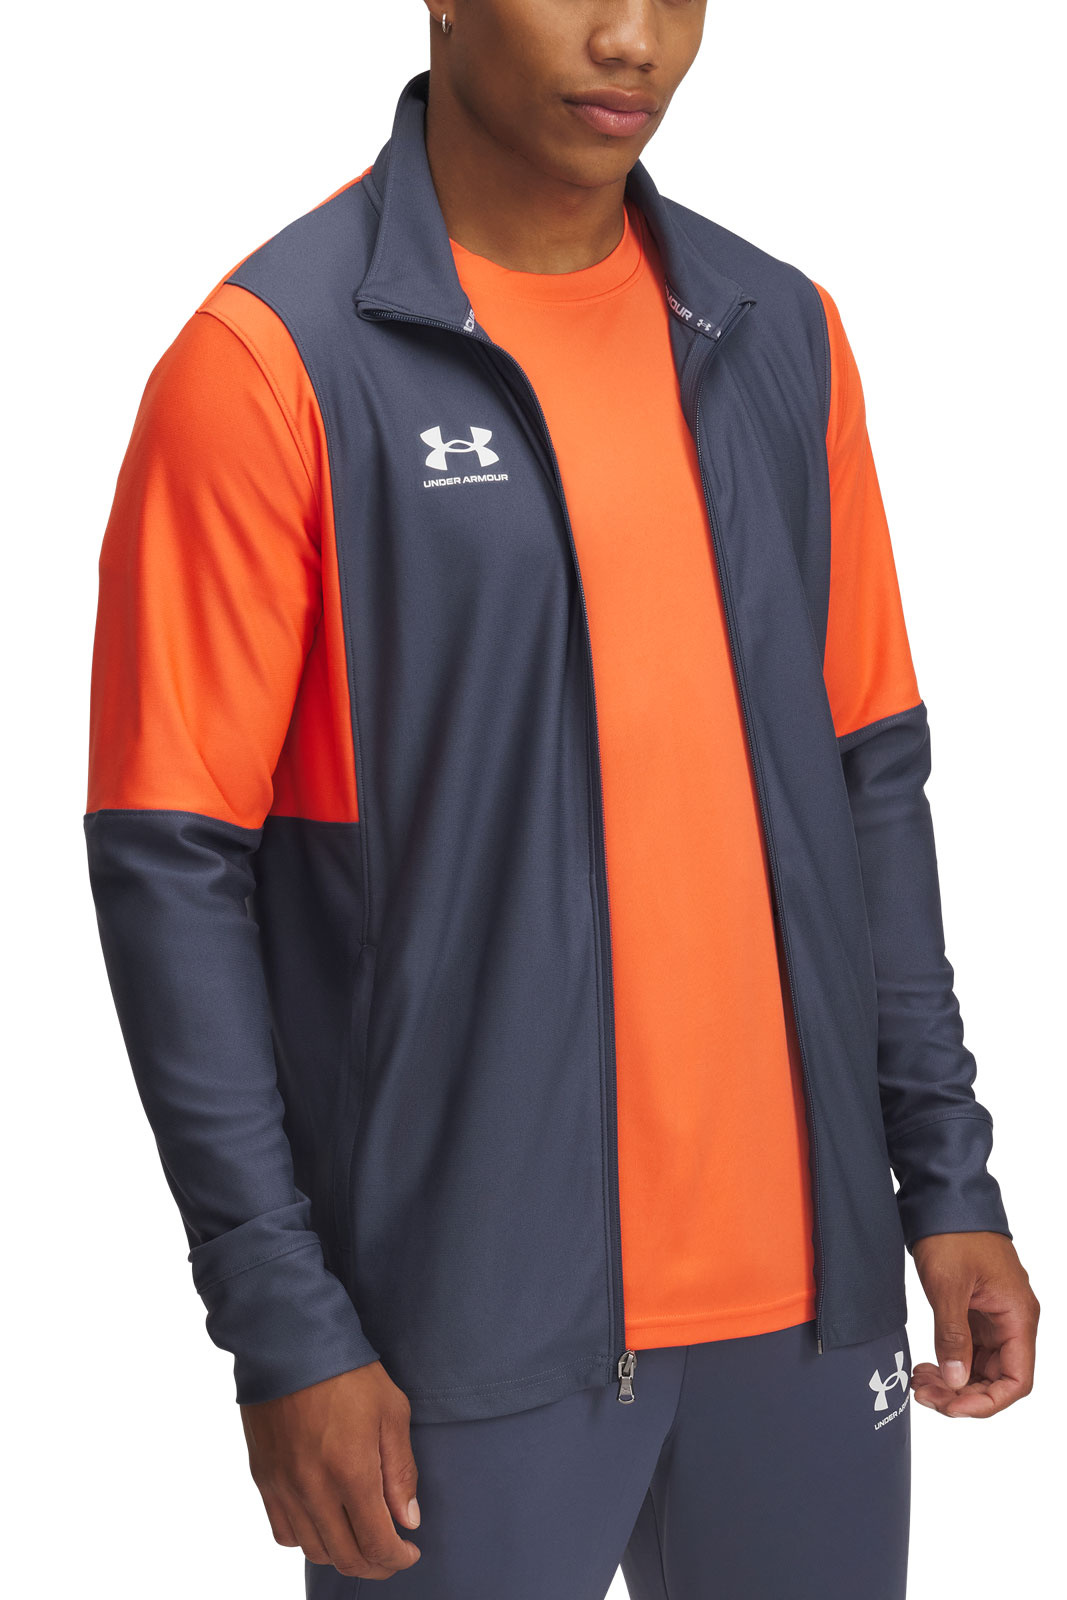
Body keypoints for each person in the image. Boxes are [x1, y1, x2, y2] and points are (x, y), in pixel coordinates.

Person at [82, 4, 1039, 1597]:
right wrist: (282, 1320)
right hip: (458, 1323)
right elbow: (171, 868)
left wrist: (944, 1179)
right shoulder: (269, 364)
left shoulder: (778, 335)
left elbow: (872, 781)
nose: (632, 37)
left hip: (809, 1306)